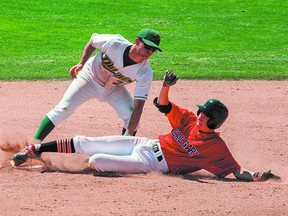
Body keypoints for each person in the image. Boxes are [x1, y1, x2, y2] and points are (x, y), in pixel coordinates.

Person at [13, 71, 280, 181]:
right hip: (144, 144)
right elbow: (163, 105)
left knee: (94, 160)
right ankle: (34, 149)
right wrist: (165, 86)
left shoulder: (216, 147)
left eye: (203, 113)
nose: (198, 113)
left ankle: (106, 169)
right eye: (200, 110)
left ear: (212, 121)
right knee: (86, 140)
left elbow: (236, 170)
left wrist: (257, 176)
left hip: (152, 165)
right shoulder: (186, 118)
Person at [33, 28, 162, 143]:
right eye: (147, 46)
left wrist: (128, 135)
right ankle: (33, 145)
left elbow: (138, 108)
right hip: (89, 78)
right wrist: (81, 63)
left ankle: (122, 154)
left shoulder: (145, 72)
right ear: (137, 41)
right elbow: (93, 41)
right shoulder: (115, 42)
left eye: (153, 49)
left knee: (132, 119)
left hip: (114, 89)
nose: (149, 52)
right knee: (64, 108)